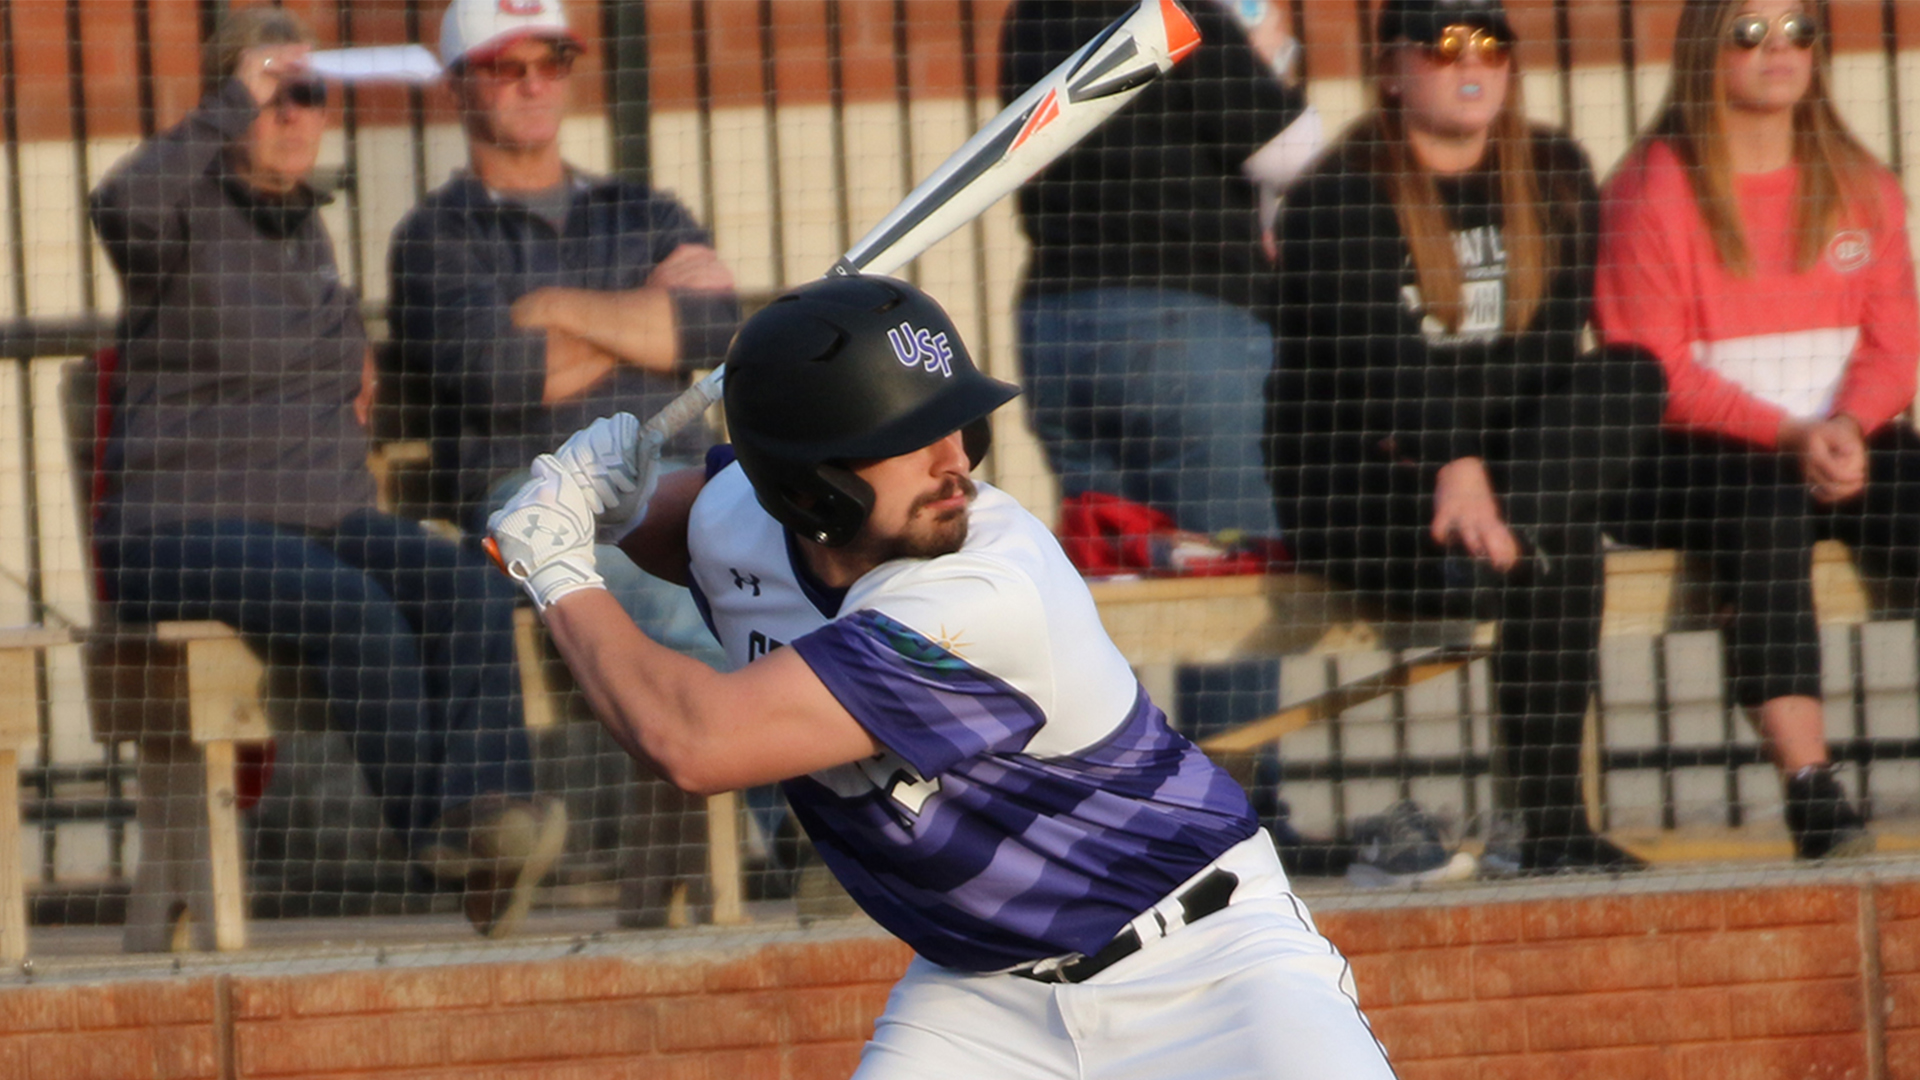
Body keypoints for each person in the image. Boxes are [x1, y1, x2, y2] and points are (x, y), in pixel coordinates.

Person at [488, 274, 1399, 1080]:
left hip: (1209, 970)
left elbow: (693, 742)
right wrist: (599, 498)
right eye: (908, 438)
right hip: (981, 1001)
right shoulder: (741, 512)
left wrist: (560, 566)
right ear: (810, 486)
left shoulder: (984, 589)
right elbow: (681, 520)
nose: (954, 460)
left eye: (959, 424)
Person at [87, 7, 562, 938]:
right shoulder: (178, 214)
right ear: (230, 103)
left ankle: (489, 818)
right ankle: (440, 835)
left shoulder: (304, 228)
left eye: (311, 93)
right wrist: (237, 96)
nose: (297, 113)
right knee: (353, 606)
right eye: (275, 95)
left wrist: (356, 360)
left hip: (317, 520)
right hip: (172, 531)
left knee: (469, 583)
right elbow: (119, 204)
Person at [1265, 0, 1666, 873]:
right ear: (1392, 71)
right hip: (1364, 485)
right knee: (1556, 540)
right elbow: (1378, 359)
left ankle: (1551, 829)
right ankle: (1552, 829)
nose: (1469, 59)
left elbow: (1550, 359)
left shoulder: (1554, 171)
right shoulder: (1337, 195)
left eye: (1491, 42)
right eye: (1443, 45)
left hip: (1495, 493)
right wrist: (1452, 461)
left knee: (1630, 373)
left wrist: (1491, 489)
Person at [387, 0, 744, 923]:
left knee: (811, 561)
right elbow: (500, 379)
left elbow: (712, 329)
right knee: (680, 601)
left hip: (679, 473)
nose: (537, 84)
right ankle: (822, 834)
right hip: (540, 496)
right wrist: (640, 318)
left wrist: (551, 305)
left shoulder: (643, 205)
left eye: (552, 62)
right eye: (509, 67)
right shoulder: (436, 237)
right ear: (461, 85)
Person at [1593, 0, 1911, 858]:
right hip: (1686, 454)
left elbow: (1895, 343)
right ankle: (1812, 789)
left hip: (1836, 439)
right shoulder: (1651, 188)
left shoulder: (1858, 181)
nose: (1778, 50)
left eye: (1797, 32)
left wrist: (1845, 424)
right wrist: (1792, 436)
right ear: (1707, 49)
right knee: (1765, 508)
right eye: (1749, 33)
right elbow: (1652, 371)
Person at [998, 0, 1317, 555]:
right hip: (1184, 319)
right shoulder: (1179, 11)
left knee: (1111, 570)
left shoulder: (1032, 13)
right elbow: (1294, 155)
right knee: (1228, 574)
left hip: (1056, 322)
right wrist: (1267, 64)